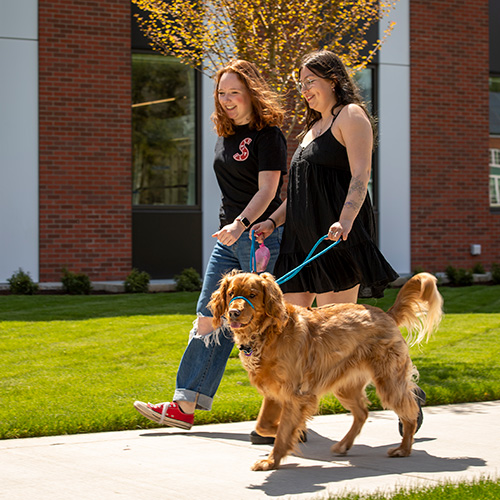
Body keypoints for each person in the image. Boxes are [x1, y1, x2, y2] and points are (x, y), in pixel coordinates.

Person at [250, 50, 423, 444]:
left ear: (332, 79)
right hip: (301, 241)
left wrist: (344, 221)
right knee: (286, 332)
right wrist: (270, 221)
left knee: (332, 333)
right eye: (301, 82)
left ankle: (407, 392)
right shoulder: (311, 129)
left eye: (310, 81)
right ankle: (276, 422)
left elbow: (361, 175)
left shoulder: (351, 116)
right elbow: (298, 193)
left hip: (336, 240)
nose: (304, 89)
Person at [134, 60, 287, 430]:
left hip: (256, 237)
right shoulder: (225, 133)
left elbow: (268, 190)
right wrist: (230, 226)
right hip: (229, 236)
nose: (228, 99)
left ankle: (285, 405)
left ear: (252, 92)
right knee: (209, 316)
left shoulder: (269, 136)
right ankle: (183, 406)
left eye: (235, 92)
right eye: (222, 93)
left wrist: (241, 224)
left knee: (262, 328)